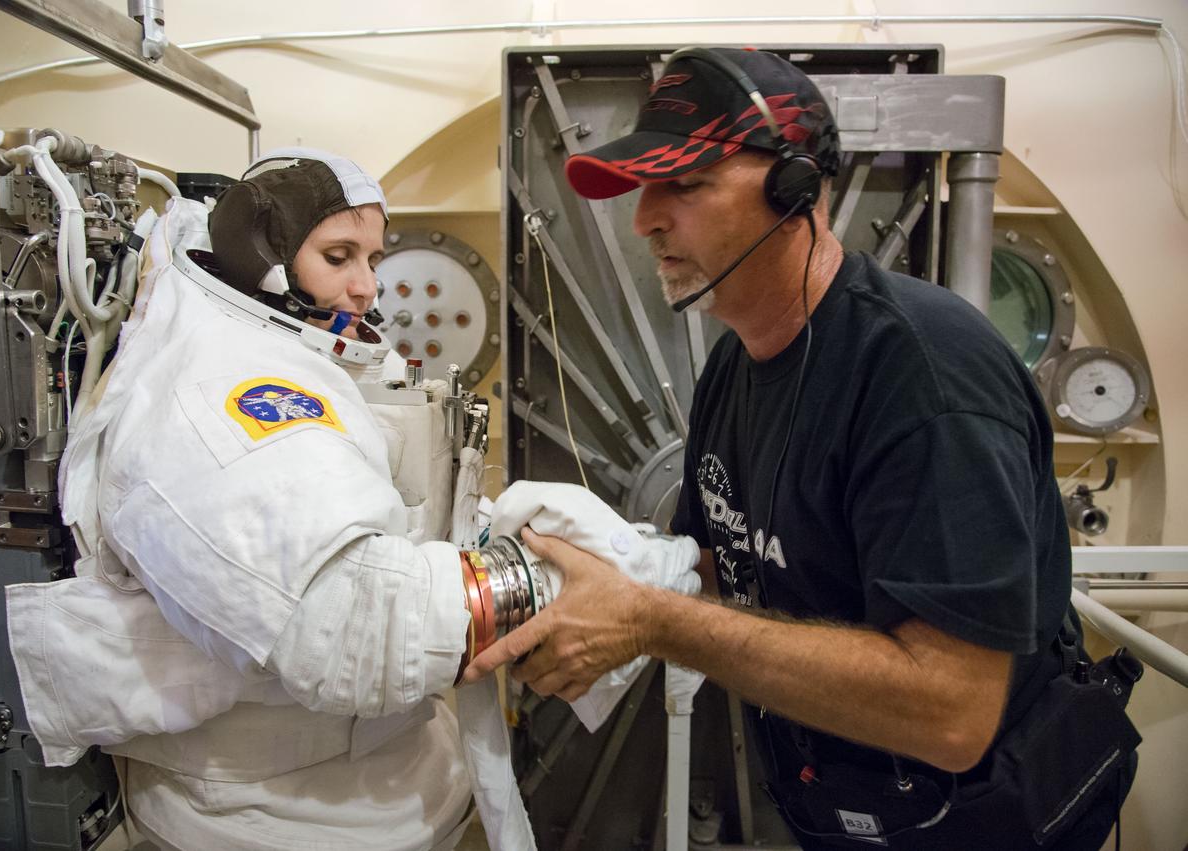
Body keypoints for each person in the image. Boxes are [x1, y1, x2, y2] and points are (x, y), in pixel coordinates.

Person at [465, 48, 1139, 850]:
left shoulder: (922, 376)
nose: (644, 218)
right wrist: (580, 589)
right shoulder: (734, 364)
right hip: (840, 810)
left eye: (683, 183)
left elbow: (950, 710)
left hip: (978, 818)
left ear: (795, 190)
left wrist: (651, 621)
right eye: (642, 189)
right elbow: (725, 567)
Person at [6, 150, 480, 850]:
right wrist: (518, 588)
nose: (364, 287)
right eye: (338, 255)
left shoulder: (283, 356)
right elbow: (343, 621)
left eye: (373, 259)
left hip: (378, 776)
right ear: (264, 255)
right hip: (270, 810)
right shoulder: (217, 389)